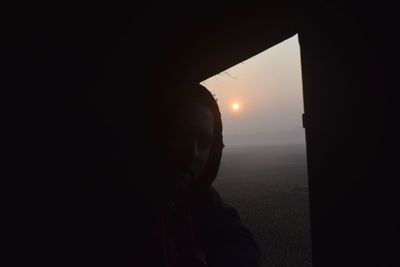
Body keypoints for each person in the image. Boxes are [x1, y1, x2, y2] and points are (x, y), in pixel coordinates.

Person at [133, 83, 262, 267]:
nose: (192, 153)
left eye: (204, 142)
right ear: (156, 135)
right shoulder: (116, 203)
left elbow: (239, 240)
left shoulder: (201, 197)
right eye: (180, 135)